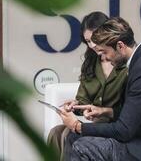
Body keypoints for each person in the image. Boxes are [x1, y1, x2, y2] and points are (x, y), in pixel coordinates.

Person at [60, 17, 141, 161]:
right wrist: (106, 112)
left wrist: (78, 126)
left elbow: (123, 130)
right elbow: (136, 111)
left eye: (104, 52)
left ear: (120, 46)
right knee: (72, 137)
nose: (105, 58)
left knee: (82, 146)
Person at [47, 12, 128, 161]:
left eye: (95, 40)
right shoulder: (91, 62)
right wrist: (75, 105)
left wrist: (103, 112)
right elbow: (83, 100)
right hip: (94, 126)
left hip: (113, 127)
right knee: (56, 133)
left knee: (68, 135)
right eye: (88, 41)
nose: (93, 45)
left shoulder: (124, 64)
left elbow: (129, 112)